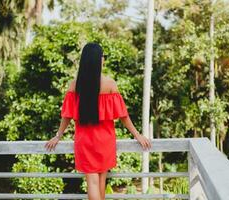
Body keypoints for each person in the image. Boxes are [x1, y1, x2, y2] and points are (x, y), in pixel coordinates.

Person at [45, 42, 151, 200]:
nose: (104, 60)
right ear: (99, 60)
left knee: (94, 183)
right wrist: (137, 135)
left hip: (85, 140)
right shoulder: (110, 84)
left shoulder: (74, 85)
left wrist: (58, 135)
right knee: (101, 181)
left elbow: (66, 115)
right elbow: (123, 115)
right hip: (105, 140)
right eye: (103, 57)